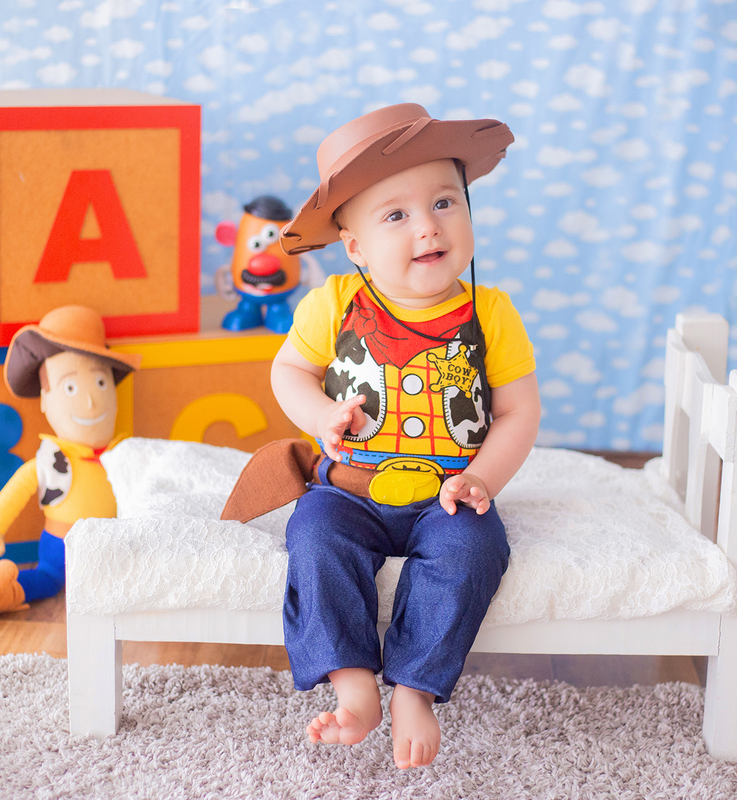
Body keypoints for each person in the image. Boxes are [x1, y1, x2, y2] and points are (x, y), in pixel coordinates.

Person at [265, 103, 541, 769]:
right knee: (312, 535)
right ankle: (351, 676)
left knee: (473, 549)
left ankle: (417, 685)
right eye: (396, 214)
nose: (428, 226)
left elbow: (518, 413)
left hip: (445, 495)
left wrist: (482, 481)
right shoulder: (333, 304)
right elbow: (288, 371)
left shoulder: (490, 314)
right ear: (355, 246)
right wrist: (317, 416)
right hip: (351, 490)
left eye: (445, 202)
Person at [0, 305, 141, 619]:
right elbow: (12, 497)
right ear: (45, 400)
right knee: (46, 579)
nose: (91, 400)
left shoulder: (125, 456)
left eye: (101, 383)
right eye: (71, 387)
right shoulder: (49, 461)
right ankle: (3, 592)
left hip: (113, 549)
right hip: (60, 551)